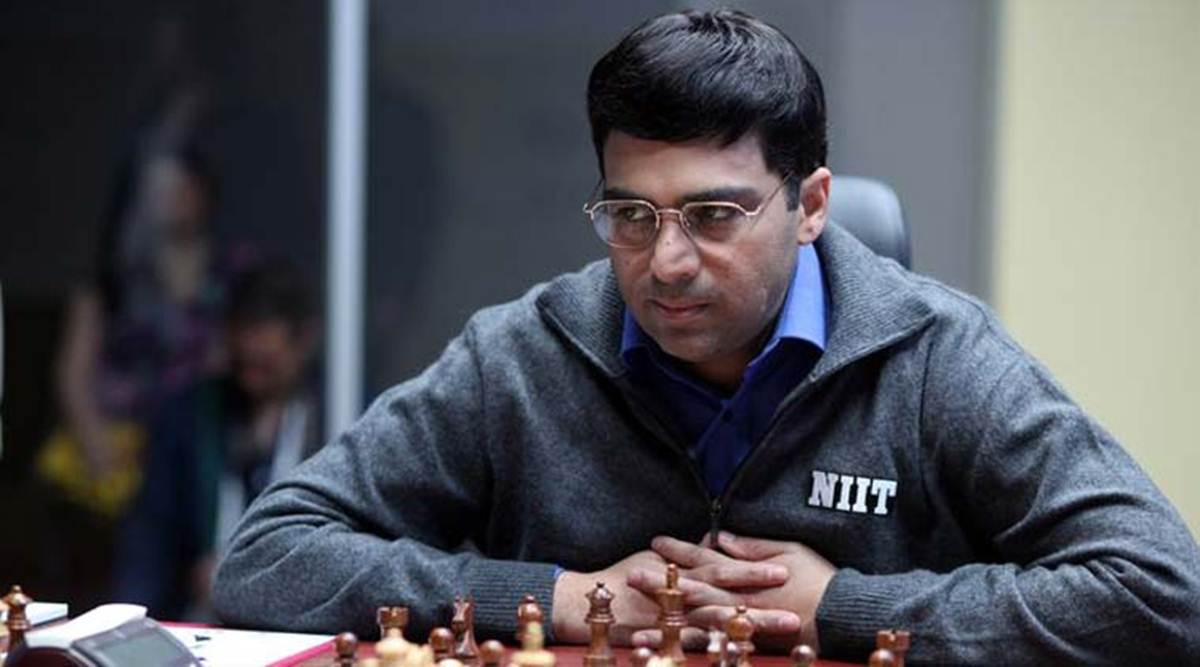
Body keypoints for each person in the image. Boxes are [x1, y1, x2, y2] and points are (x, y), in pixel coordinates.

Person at [212, 10, 1200, 664]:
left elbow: (1159, 591)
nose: (665, 261)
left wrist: (845, 605)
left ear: (810, 204)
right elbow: (266, 560)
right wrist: (553, 595)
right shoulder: (522, 353)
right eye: (629, 216)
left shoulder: (935, 355)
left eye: (714, 216)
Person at [115, 260, 321, 621]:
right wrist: (124, 624)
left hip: (306, 622)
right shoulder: (191, 417)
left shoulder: (339, 412)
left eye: (266, 365)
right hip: (204, 619)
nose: (251, 380)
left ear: (303, 343)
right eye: (243, 365)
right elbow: (152, 538)